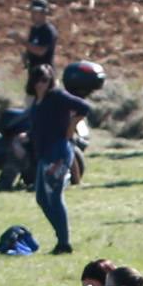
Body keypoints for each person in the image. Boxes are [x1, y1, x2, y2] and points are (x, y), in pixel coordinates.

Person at [28, 65, 89, 254]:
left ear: (51, 80)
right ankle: (60, 236)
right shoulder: (37, 101)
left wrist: (72, 125)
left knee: (54, 197)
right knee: (41, 198)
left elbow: (84, 107)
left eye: (45, 80)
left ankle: (64, 242)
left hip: (58, 153)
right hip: (44, 154)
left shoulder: (57, 97)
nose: (41, 84)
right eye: (38, 80)